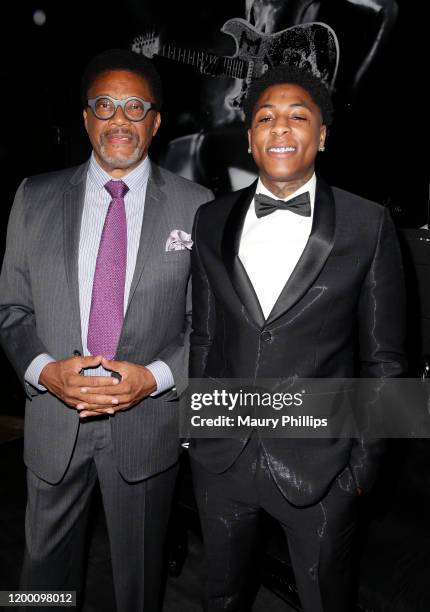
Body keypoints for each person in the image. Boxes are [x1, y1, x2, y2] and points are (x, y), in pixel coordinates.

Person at [0, 48, 212, 611]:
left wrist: (156, 378)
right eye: (105, 105)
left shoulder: (199, 207)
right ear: (86, 118)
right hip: (53, 427)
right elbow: (12, 312)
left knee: (139, 585)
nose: (120, 118)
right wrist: (45, 371)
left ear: (157, 121)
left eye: (135, 106)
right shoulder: (33, 197)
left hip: (145, 429)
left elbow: (206, 328)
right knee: (40, 579)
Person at [188, 64, 406, 611]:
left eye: (297, 116)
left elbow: (388, 363)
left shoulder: (368, 222)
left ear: (323, 134)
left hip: (323, 468)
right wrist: (197, 427)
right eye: (265, 117)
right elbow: (204, 331)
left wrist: (362, 470)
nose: (280, 128)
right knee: (221, 597)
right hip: (222, 459)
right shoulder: (210, 219)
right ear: (249, 136)